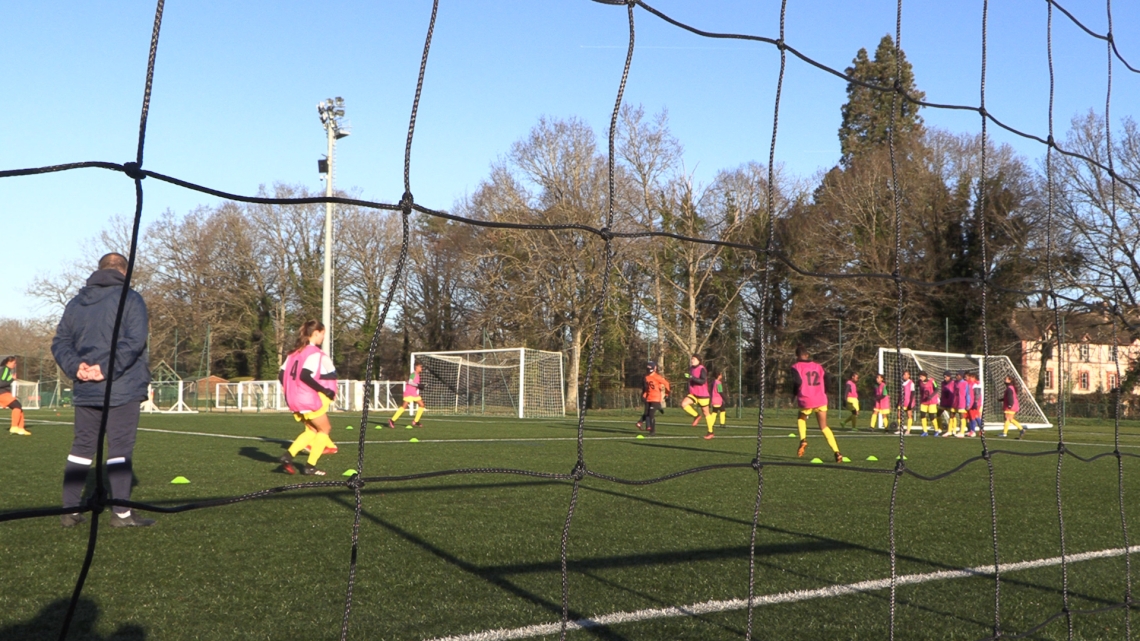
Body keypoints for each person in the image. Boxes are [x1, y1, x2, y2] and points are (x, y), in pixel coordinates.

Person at [51, 252, 154, 528]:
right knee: (119, 448)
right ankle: (121, 514)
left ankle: (69, 510)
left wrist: (77, 367)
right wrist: (104, 369)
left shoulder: (75, 303)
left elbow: (60, 342)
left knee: (81, 447)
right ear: (124, 271)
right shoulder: (131, 298)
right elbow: (134, 341)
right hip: (122, 386)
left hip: (86, 387)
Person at [278, 320, 338, 476]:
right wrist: (324, 390)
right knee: (325, 429)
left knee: (312, 429)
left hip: (292, 398)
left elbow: (281, 374)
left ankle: (288, 456)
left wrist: (289, 389)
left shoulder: (293, 352)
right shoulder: (314, 352)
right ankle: (310, 466)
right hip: (307, 398)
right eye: (323, 334)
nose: (323, 337)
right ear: (316, 333)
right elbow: (305, 375)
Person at [790, 345, 843, 463]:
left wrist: (794, 394)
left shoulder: (796, 367)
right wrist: (824, 391)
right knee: (824, 427)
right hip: (820, 398)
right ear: (807, 355)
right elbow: (828, 378)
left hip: (806, 398)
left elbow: (797, 381)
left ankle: (803, 439)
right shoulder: (818, 366)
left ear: (797, 356)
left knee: (801, 418)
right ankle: (837, 452)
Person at [681, 354, 716, 439]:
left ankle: (710, 432)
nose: (692, 360)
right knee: (684, 404)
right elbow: (691, 379)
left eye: (693, 359)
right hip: (693, 394)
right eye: (691, 358)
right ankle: (696, 416)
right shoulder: (691, 368)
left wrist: (692, 377)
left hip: (702, 395)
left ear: (698, 360)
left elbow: (703, 381)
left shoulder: (702, 369)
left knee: (706, 413)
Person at [636, 361, 670, 435]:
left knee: (651, 414)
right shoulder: (646, 377)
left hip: (656, 398)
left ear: (654, 368)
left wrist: (667, 394)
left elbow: (666, 383)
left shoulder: (657, 377)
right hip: (649, 398)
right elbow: (646, 389)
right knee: (647, 413)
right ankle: (659, 409)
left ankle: (652, 431)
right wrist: (644, 396)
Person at [389, 363, 426, 428]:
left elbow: (414, 384)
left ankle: (416, 421)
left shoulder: (417, 375)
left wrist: (419, 386)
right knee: (404, 406)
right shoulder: (413, 374)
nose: (421, 368)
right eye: (420, 367)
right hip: (409, 393)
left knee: (422, 405)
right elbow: (410, 382)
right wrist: (418, 385)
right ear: (416, 367)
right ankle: (392, 420)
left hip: (414, 393)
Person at [1, 356, 30, 436]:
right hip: (2, 393)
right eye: (14, 363)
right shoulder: (5, 369)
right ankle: (14, 427)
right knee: (17, 406)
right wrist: (12, 379)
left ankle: (21, 428)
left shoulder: (6, 370)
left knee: (19, 408)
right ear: (9, 362)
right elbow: (1, 383)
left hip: (4, 393)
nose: (15, 365)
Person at [917, 371, 938, 436]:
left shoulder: (932, 381)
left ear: (925, 376)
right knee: (922, 415)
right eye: (920, 376)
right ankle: (925, 431)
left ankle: (936, 430)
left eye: (921, 376)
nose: (920, 378)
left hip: (932, 401)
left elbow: (936, 389)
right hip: (923, 401)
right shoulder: (919, 382)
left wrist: (931, 396)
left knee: (931, 416)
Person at [952, 371, 970, 438]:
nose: (956, 376)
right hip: (955, 402)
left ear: (961, 376)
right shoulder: (955, 383)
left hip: (962, 402)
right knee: (953, 415)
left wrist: (968, 404)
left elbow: (967, 394)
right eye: (956, 375)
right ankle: (954, 430)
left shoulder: (965, 383)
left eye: (958, 375)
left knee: (962, 416)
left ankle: (962, 432)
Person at [939, 372, 956, 437]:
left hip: (951, 402)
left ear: (949, 376)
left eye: (946, 376)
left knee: (952, 415)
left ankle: (953, 430)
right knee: (938, 413)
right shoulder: (942, 383)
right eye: (944, 377)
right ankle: (940, 429)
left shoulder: (953, 383)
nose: (944, 378)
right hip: (944, 402)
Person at [966, 371, 983, 436]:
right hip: (971, 403)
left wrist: (975, 402)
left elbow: (977, 394)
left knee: (975, 416)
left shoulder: (976, 384)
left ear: (975, 378)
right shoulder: (969, 384)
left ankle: (974, 431)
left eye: (971, 377)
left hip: (975, 403)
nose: (970, 378)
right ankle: (972, 430)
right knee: (972, 416)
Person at [899, 370, 915, 435]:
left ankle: (908, 430)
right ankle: (900, 429)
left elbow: (912, 393)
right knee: (899, 415)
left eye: (906, 375)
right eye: (904, 375)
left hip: (908, 402)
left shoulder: (911, 383)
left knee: (909, 415)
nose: (904, 376)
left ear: (909, 375)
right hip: (902, 401)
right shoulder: (902, 383)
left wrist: (910, 403)